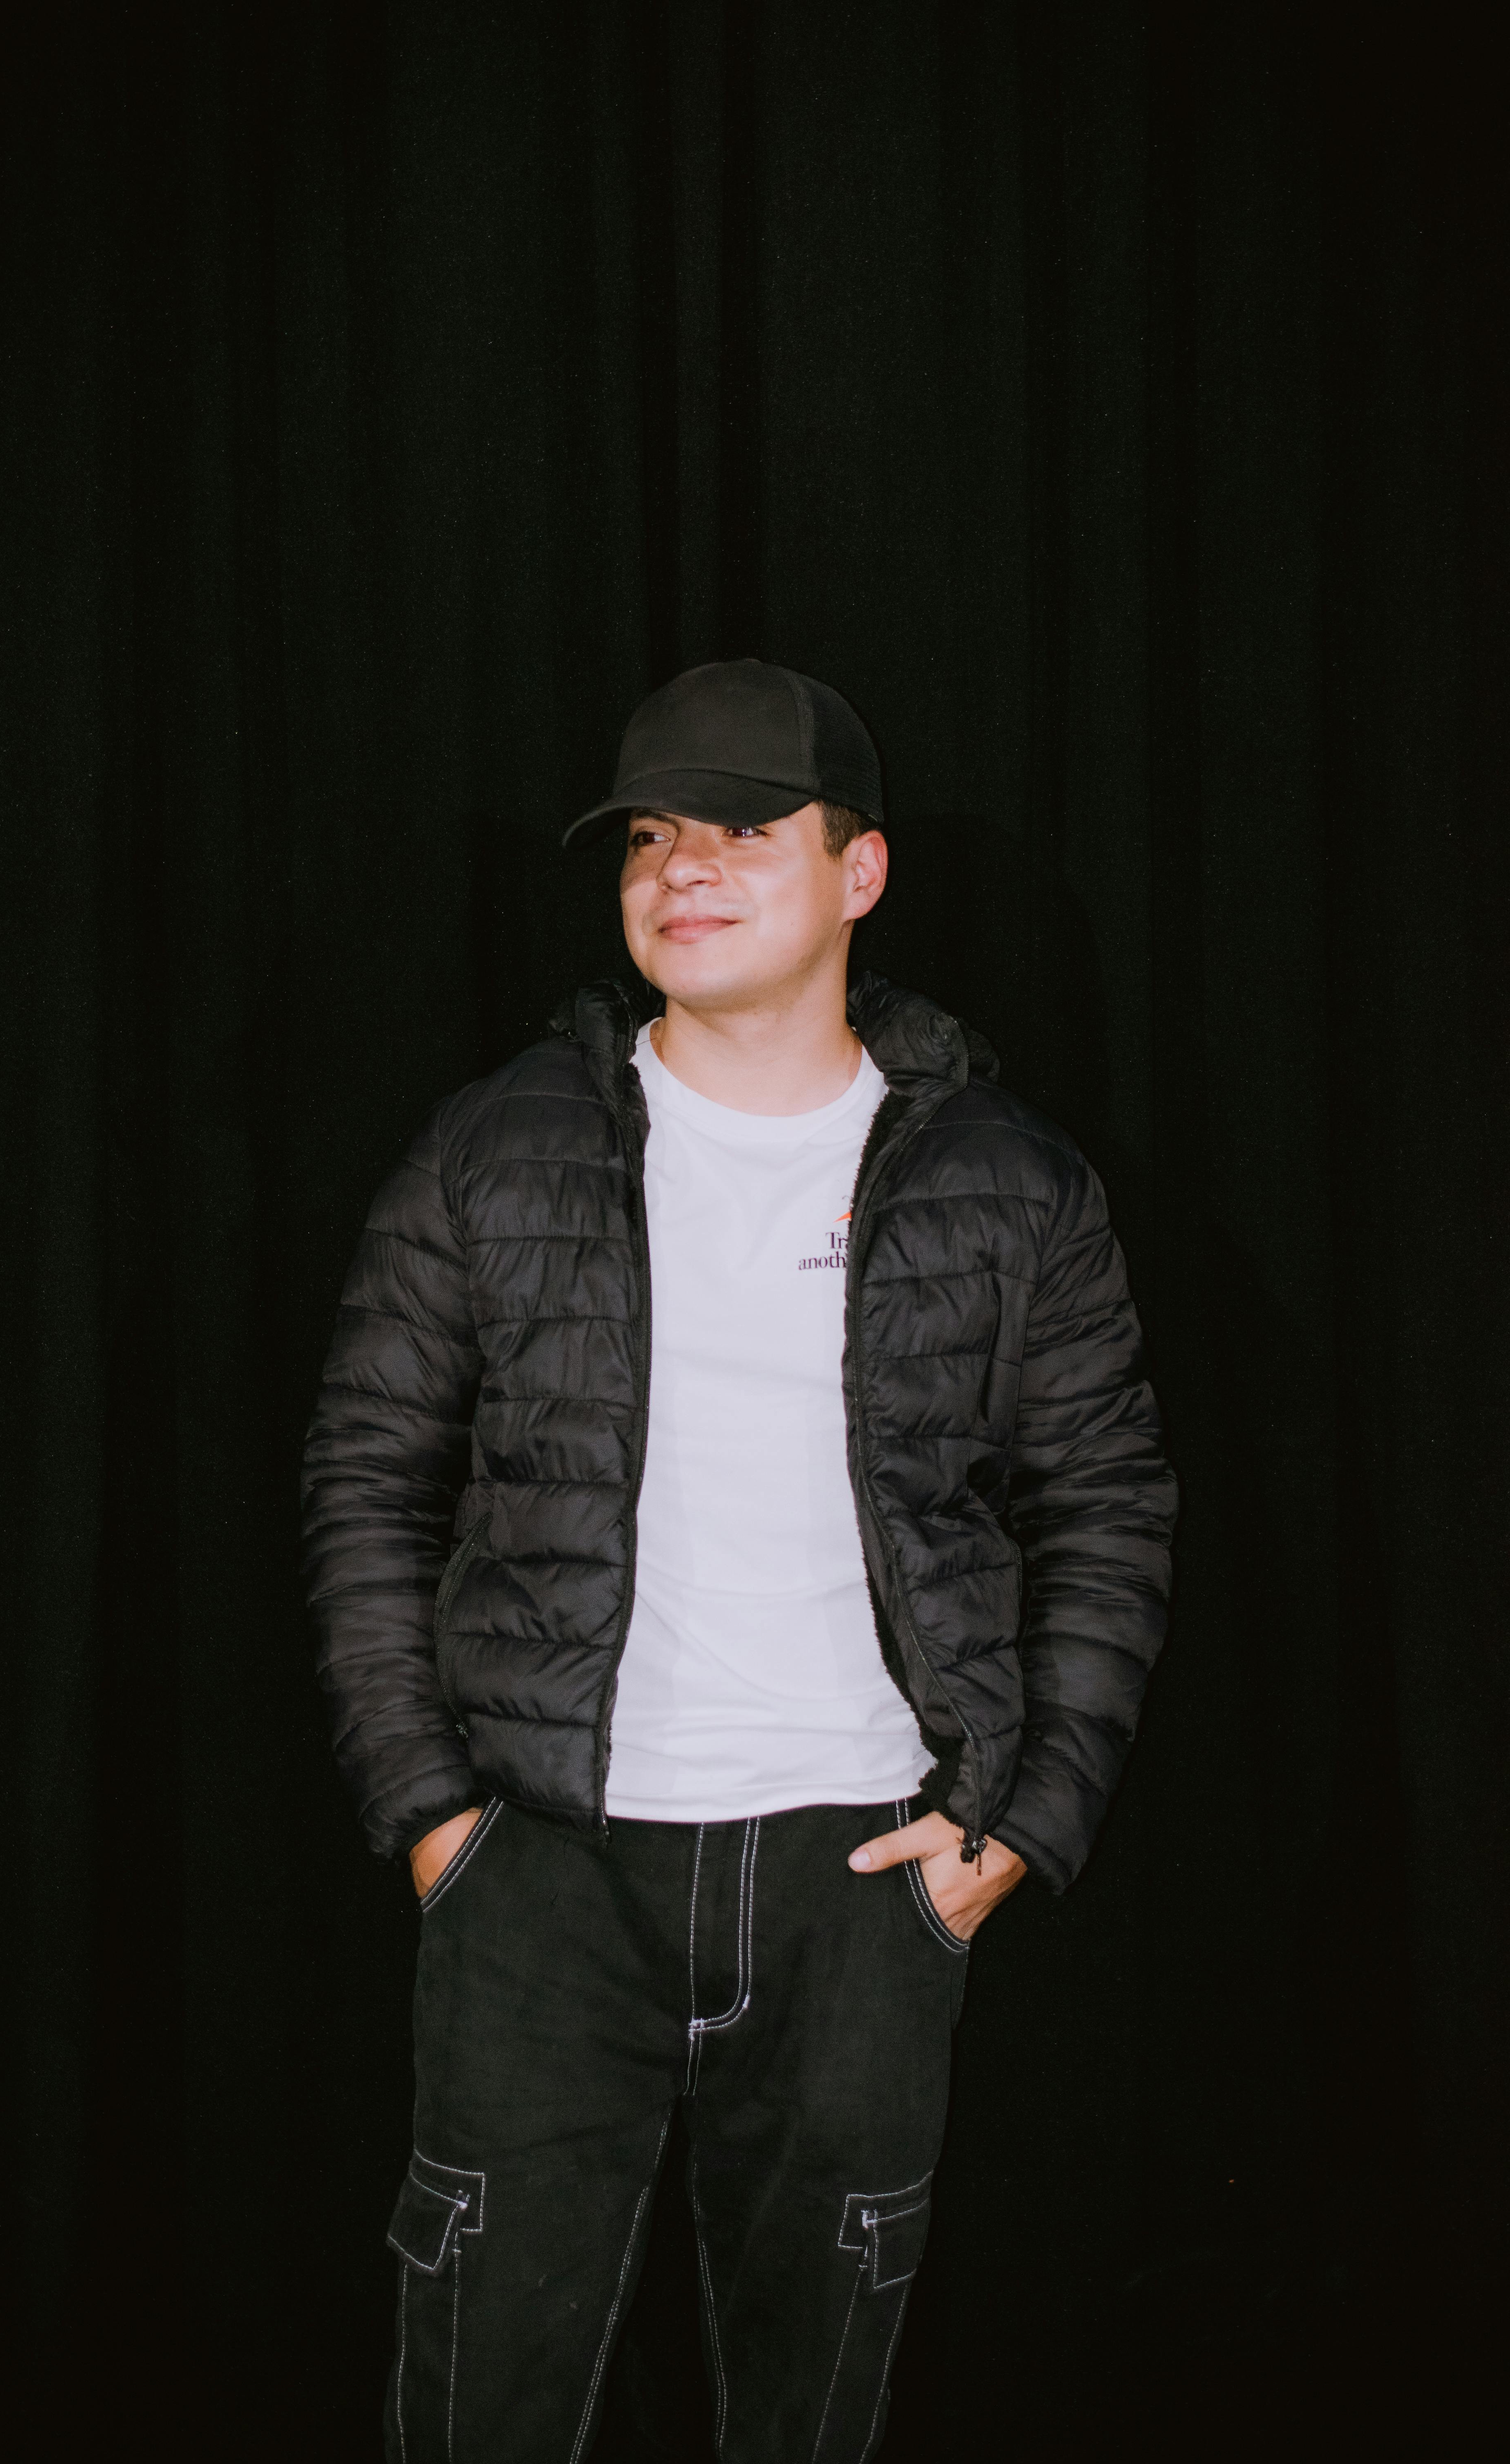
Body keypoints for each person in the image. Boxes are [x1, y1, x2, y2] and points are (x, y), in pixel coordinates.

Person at [301, 657, 1178, 2463]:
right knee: (479, 2408)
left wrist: (1018, 1836)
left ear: (857, 873)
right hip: (543, 1871)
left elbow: (1106, 1507)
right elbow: (365, 1479)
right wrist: (432, 1819)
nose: (679, 869)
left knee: (809, 2419)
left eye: (740, 829)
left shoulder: (1007, 1183)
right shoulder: (496, 1146)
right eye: (649, 833)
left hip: (863, 1881)